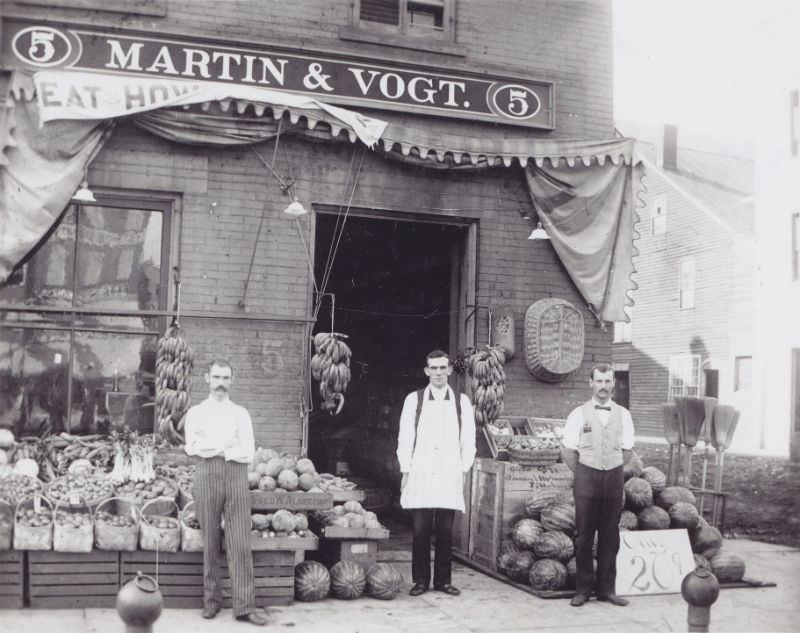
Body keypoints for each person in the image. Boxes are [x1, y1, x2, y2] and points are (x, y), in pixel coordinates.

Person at [184, 359, 267, 626]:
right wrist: (226, 445)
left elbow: (248, 451)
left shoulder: (241, 413)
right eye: (216, 377)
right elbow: (193, 447)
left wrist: (216, 446)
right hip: (207, 473)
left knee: (240, 540)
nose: (220, 383)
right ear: (207, 378)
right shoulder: (196, 412)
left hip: (236, 475)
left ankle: (245, 606)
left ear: (232, 380)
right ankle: (211, 602)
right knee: (210, 540)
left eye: (225, 378)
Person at [396, 349, 476, 597]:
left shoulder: (462, 403)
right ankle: (420, 581)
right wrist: (406, 470)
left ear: (450, 371)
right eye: (434, 368)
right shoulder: (414, 400)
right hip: (421, 473)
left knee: (445, 531)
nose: (439, 373)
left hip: (449, 474)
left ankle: (443, 581)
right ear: (427, 371)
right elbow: (405, 437)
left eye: (443, 368)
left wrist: (463, 470)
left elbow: (469, 440)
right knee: (420, 531)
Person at [561, 364, 634, 608]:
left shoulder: (624, 414)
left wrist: (610, 467)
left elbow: (627, 451)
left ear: (614, 384)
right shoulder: (577, 414)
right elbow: (569, 451)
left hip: (613, 478)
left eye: (607, 381)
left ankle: (607, 590)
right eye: (599, 381)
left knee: (610, 537)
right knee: (583, 537)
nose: (603, 387)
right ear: (590, 383)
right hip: (586, 479)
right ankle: (582, 590)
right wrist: (586, 471)